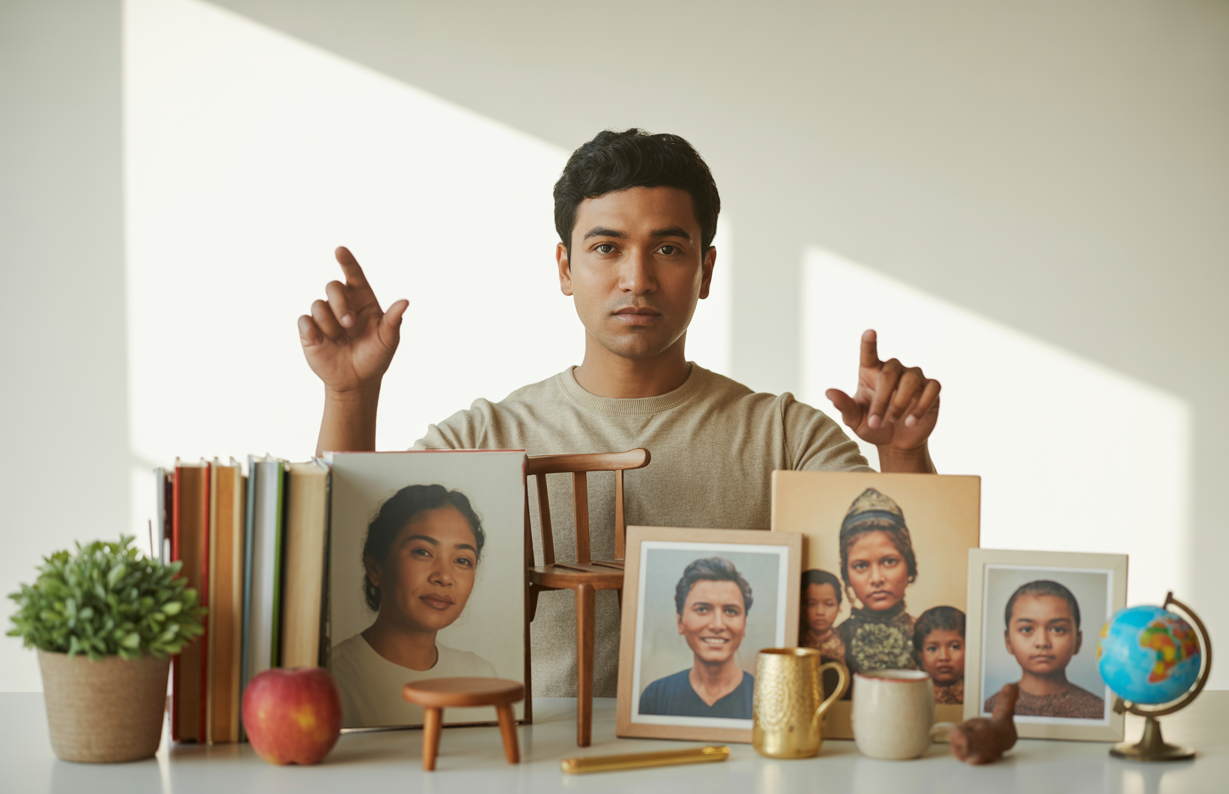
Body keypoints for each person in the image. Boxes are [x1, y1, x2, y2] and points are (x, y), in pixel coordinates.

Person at [298, 128, 943, 698]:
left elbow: (913, 594)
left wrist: (904, 453)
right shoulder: (485, 438)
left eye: (667, 249)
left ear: (706, 269)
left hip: (728, 771)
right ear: (565, 267)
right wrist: (350, 396)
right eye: (607, 247)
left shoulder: (784, 436)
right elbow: (335, 567)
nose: (637, 278)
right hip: (527, 775)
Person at [330, 484, 496, 727]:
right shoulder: (334, 676)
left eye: (462, 560)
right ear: (376, 567)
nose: (444, 576)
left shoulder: (480, 675)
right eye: (423, 552)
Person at [638, 557, 754, 719]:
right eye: (702, 609)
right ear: (680, 622)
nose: (717, 625)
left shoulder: (766, 699)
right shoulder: (656, 697)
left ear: (744, 624)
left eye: (731, 611)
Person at [983, 579, 1106, 720]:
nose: (1042, 642)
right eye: (1027, 629)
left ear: (1078, 641)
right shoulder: (992, 708)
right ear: (1008, 641)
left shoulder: (1096, 710)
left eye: (1057, 629)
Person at [836, 488, 920, 687]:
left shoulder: (931, 640)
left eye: (889, 561)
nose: (876, 578)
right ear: (846, 574)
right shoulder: (833, 643)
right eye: (861, 566)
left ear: (909, 563)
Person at [912, 605, 966, 705]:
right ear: (920, 654)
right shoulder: (911, 695)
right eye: (932, 648)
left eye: (954, 647)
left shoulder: (979, 693)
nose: (944, 657)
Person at [799, 569, 846, 664]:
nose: (820, 612)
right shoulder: (793, 642)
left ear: (839, 605)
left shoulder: (848, 641)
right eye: (811, 604)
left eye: (829, 604)